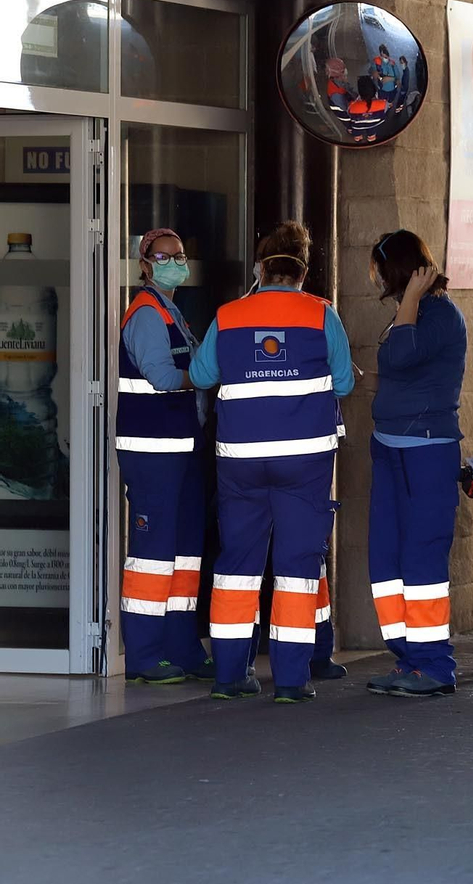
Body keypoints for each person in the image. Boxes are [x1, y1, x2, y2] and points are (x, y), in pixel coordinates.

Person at [187, 222, 354, 703]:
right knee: (297, 566)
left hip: (240, 462)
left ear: (261, 272)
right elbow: (343, 385)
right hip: (304, 461)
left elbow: (201, 374)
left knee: (237, 564)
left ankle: (230, 675)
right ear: (301, 276)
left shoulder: (229, 314)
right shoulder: (323, 314)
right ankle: (290, 680)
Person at [363, 230, 467, 697]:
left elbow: (403, 353)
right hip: (389, 449)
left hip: (426, 451)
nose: (376, 278)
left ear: (399, 271)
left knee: (421, 556)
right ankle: (407, 658)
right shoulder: (414, 313)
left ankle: (434, 664)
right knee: (387, 557)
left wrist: (409, 298)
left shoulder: (440, 315)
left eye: (380, 269)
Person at [114, 229, 211, 684]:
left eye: (181, 254)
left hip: (181, 447)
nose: (176, 261)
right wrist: (204, 376)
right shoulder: (148, 314)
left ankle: (181, 647)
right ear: (145, 264)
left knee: (185, 552)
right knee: (153, 555)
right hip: (154, 451)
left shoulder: (171, 311)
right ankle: (144, 655)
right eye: (165, 255)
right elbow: (162, 377)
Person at [347, 75, 389, 142]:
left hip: (358, 126)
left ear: (360, 91)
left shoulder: (352, 106)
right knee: (372, 131)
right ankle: (371, 138)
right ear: (374, 89)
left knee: (357, 132)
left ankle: (358, 139)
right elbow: (385, 111)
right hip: (374, 124)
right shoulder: (383, 104)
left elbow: (349, 114)